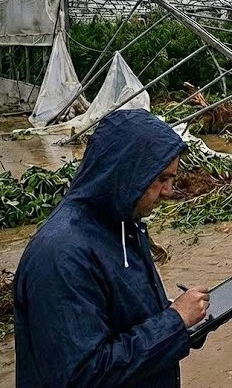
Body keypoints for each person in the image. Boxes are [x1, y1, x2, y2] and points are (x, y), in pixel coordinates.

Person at [13, 109, 211, 387]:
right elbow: (83, 375)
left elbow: (127, 317)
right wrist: (174, 321)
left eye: (172, 179)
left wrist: (186, 322)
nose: (169, 191)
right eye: (161, 179)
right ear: (128, 173)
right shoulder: (61, 256)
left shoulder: (125, 225)